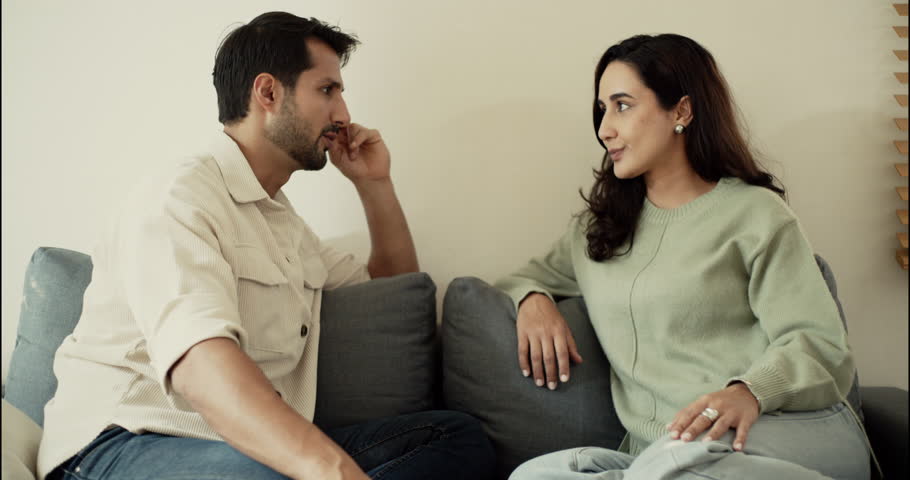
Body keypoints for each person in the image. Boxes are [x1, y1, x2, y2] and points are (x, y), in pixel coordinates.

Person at [38, 12, 495, 480]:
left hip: (240, 449)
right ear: (269, 93)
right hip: (120, 444)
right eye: (327, 90)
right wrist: (330, 469)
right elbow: (201, 366)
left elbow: (395, 291)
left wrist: (375, 185)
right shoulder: (178, 196)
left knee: (454, 438)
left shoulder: (284, 225)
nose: (343, 115)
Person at [495, 34, 873, 479]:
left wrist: (747, 392)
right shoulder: (598, 232)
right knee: (533, 476)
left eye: (622, 105)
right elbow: (522, 277)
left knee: (676, 464)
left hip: (779, 430)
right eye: (602, 110)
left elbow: (821, 343)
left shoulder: (755, 215)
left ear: (682, 111)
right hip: (665, 456)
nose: (604, 129)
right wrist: (532, 300)